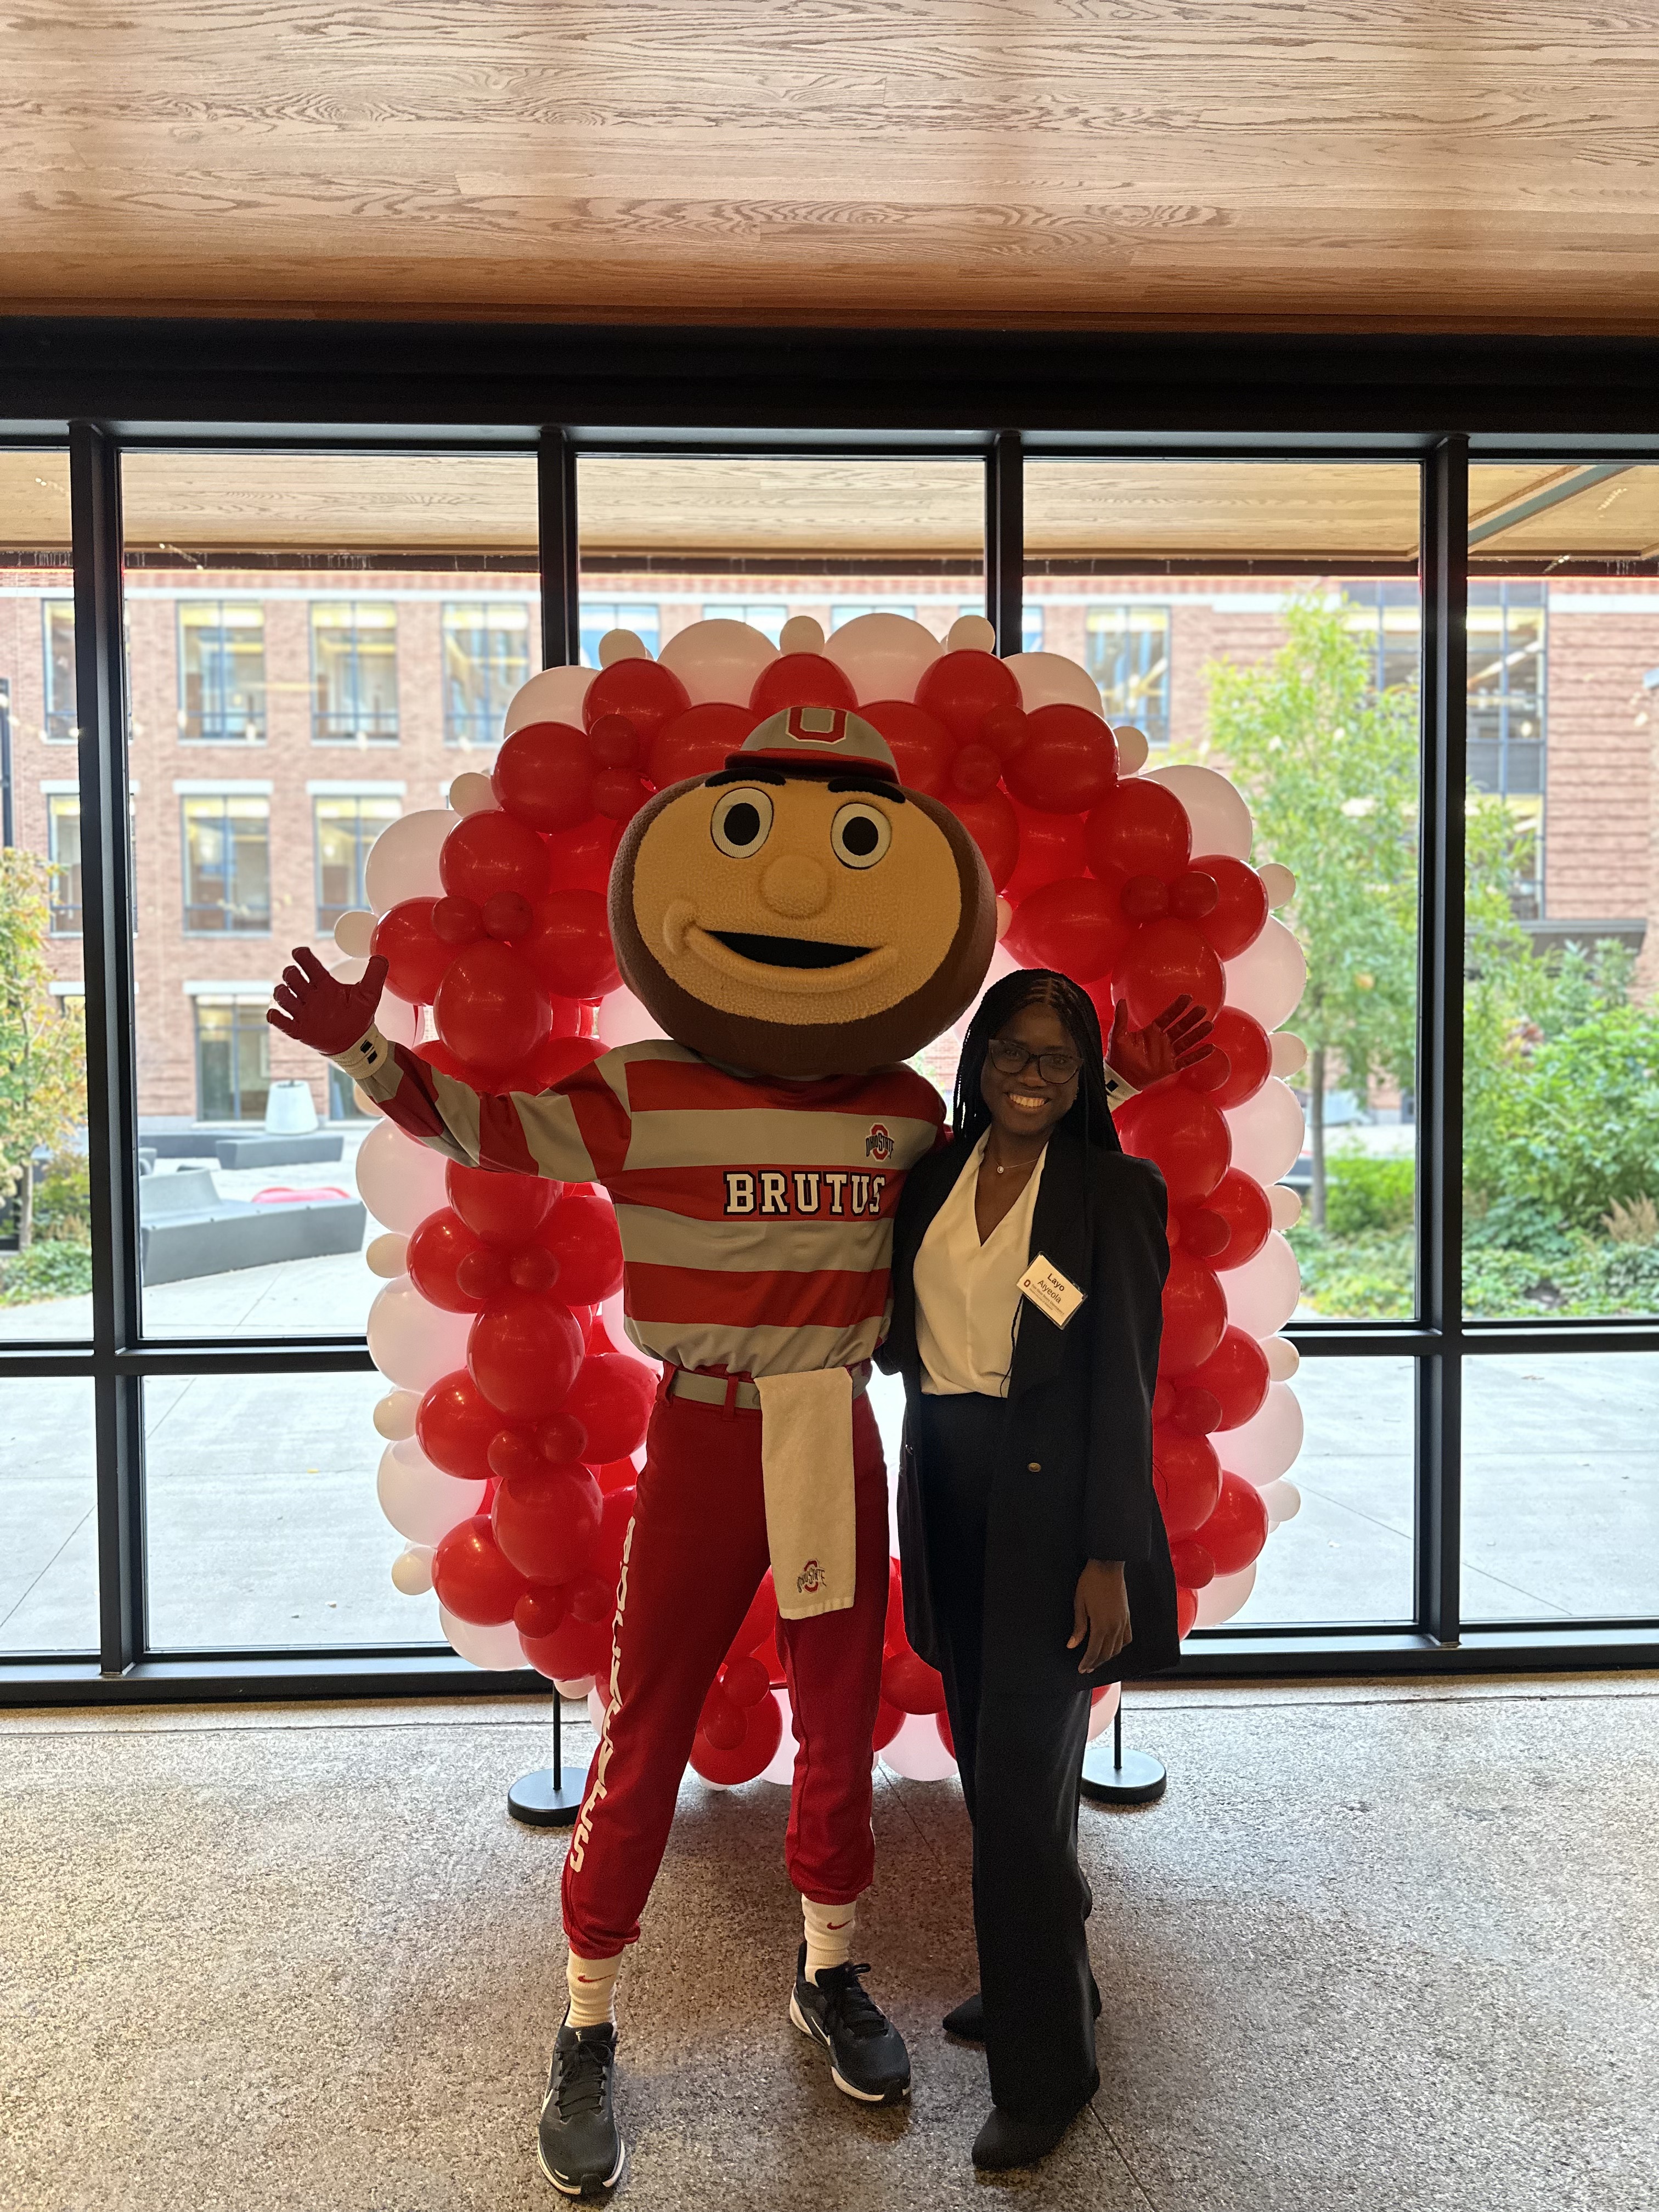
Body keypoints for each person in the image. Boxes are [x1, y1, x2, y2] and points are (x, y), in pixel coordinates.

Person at [880, 967, 1206, 2172]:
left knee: (1018, 1798)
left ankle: (1046, 2069)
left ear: (1081, 1081)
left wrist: (1109, 1553)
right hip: (950, 1489)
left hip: (1053, 1511)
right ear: (976, 1066)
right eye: (1011, 1055)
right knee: (1000, 1766)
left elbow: (1120, 1382)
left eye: (1057, 1061)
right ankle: (1049, 1976)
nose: (1031, 1076)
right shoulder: (933, 1179)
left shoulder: (1113, 1191)